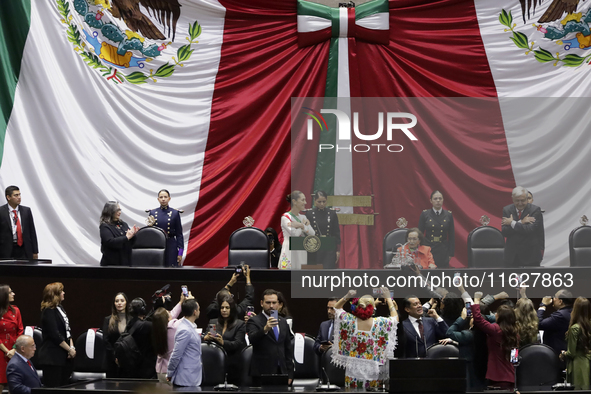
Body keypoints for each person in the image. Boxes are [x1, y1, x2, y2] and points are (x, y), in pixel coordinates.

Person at [332, 288, 398, 390]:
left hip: (352, 373)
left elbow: (336, 308)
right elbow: (395, 319)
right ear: (373, 308)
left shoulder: (350, 321)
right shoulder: (379, 323)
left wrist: (348, 296)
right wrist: (388, 299)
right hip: (372, 374)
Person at [471, 292, 519, 391]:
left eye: (497, 313)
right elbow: (514, 358)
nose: (495, 314)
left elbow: (478, 320)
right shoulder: (515, 333)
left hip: (496, 376)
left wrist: (476, 301)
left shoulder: (495, 330)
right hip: (510, 376)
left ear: (500, 317)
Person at [246, 289, 294, 385]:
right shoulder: (254, 321)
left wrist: (290, 373)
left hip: (281, 371)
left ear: (278, 304)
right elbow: (252, 339)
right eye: (268, 302)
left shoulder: (283, 322)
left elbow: (288, 349)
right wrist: (265, 329)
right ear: (261, 303)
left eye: (274, 303)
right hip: (261, 372)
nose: (271, 306)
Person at [38, 282, 75, 387]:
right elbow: (55, 334)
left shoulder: (60, 308)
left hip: (64, 357)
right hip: (52, 358)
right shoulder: (48, 311)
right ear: (55, 294)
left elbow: (68, 330)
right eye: (61, 291)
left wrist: (71, 346)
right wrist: (69, 349)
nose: (64, 293)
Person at [204, 294, 246, 385]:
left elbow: (237, 344)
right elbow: (207, 340)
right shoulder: (213, 322)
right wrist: (206, 338)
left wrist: (223, 342)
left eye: (227, 308)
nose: (224, 310)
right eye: (222, 307)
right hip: (215, 363)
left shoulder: (240, 324)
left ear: (232, 309)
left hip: (233, 364)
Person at [501, 186, 544, 267]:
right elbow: (505, 231)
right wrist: (521, 222)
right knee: (514, 280)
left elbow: (529, 230)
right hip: (511, 256)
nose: (520, 203)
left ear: (527, 199)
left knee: (530, 280)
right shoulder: (507, 210)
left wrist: (512, 223)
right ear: (512, 199)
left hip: (530, 256)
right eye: (517, 201)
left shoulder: (535, 210)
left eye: (523, 200)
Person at [153, 292, 190, 383]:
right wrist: (190, 303)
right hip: (169, 372)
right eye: (168, 312)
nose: (170, 312)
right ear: (167, 319)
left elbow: (171, 315)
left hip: (159, 370)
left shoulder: (157, 327)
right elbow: (187, 318)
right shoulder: (173, 327)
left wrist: (181, 302)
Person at [167, 299, 202, 386]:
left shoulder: (190, 326)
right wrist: (170, 373)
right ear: (195, 312)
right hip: (186, 378)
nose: (199, 311)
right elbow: (176, 354)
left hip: (191, 376)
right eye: (199, 309)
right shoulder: (185, 330)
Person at [559, 297, 591, 390]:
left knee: (579, 390)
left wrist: (563, 354)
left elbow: (571, 353)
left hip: (579, 365)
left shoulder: (575, 328)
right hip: (589, 361)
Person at [119, 298, 155, 379]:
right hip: (145, 370)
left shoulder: (130, 324)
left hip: (131, 369)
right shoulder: (147, 326)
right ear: (143, 310)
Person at [147, 189, 184, 267]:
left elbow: (179, 234)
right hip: (157, 244)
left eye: (165, 197)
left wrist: (180, 253)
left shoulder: (175, 213)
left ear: (169, 198)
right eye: (161, 197)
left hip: (171, 244)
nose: (163, 199)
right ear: (158, 199)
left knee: (171, 269)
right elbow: (150, 234)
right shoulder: (153, 213)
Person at [418, 190, 454, 268]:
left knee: (442, 274)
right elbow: (419, 234)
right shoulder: (425, 214)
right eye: (435, 199)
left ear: (443, 200)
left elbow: (451, 236)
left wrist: (451, 253)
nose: (438, 201)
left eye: (440, 198)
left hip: (443, 249)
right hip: (428, 248)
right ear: (431, 201)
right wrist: (420, 250)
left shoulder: (448, 215)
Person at [304, 190, 341, 268]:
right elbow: (306, 233)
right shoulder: (309, 214)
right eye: (319, 202)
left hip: (329, 247)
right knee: (315, 272)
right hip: (314, 246)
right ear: (315, 201)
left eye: (324, 201)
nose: (322, 204)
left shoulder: (332, 214)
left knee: (328, 272)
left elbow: (336, 232)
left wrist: (338, 250)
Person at [279, 191, 315, 269]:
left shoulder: (303, 217)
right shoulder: (285, 217)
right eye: (302, 200)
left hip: (301, 249)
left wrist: (301, 225)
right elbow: (295, 234)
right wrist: (304, 226)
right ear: (294, 201)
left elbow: (312, 233)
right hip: (290, 249)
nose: (305, 202)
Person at [0, 186, 38, 259]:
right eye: (16, 195)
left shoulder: (26, 211)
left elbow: (32, 232)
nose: (19, 197)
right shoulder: (1, 212)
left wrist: (35, 251)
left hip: (24, 249)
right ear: (8, 197)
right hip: (6, 250)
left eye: (19, 194)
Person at [99, 201, 139, 266]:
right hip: (111, 264)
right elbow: (110, 242)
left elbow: (131, 243)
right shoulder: (105, 226)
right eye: (117, 210)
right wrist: (126, 237)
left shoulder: (123, 224)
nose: (119, 212)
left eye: (120, 210)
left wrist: (133, 235)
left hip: (125, 262)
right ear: (110, 211)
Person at [0, 285, 23, 392]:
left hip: (14, 349)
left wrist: (14, 349)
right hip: (1, 350)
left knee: (14, 383)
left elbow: (20, 331)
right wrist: (6, 350)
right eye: (10, 292)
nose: (13, 294)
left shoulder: (16, 310)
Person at [101, 292, 130, 377]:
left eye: (122, 300)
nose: (119, 303)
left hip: (128, 361)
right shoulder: (108, 319)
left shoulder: (131, 319)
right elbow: (106, 341)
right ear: (114, 304)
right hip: (112, 361)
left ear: (126, 303)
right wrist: (115, 357)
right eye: (117, 301)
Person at [538, 289, 574, 355]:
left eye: (555, 297)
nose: (553, 299)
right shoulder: (571, 312)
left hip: (556, 354)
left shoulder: (560, 316)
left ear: (560, 302)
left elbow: (539, 324)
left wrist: (542, 305)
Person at [527, 190, 545, 260]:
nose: (527, 201)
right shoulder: (513, 213)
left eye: (529, 198)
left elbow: (539, 233)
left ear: (532, 200)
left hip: (534, 249)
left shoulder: (537, 213)